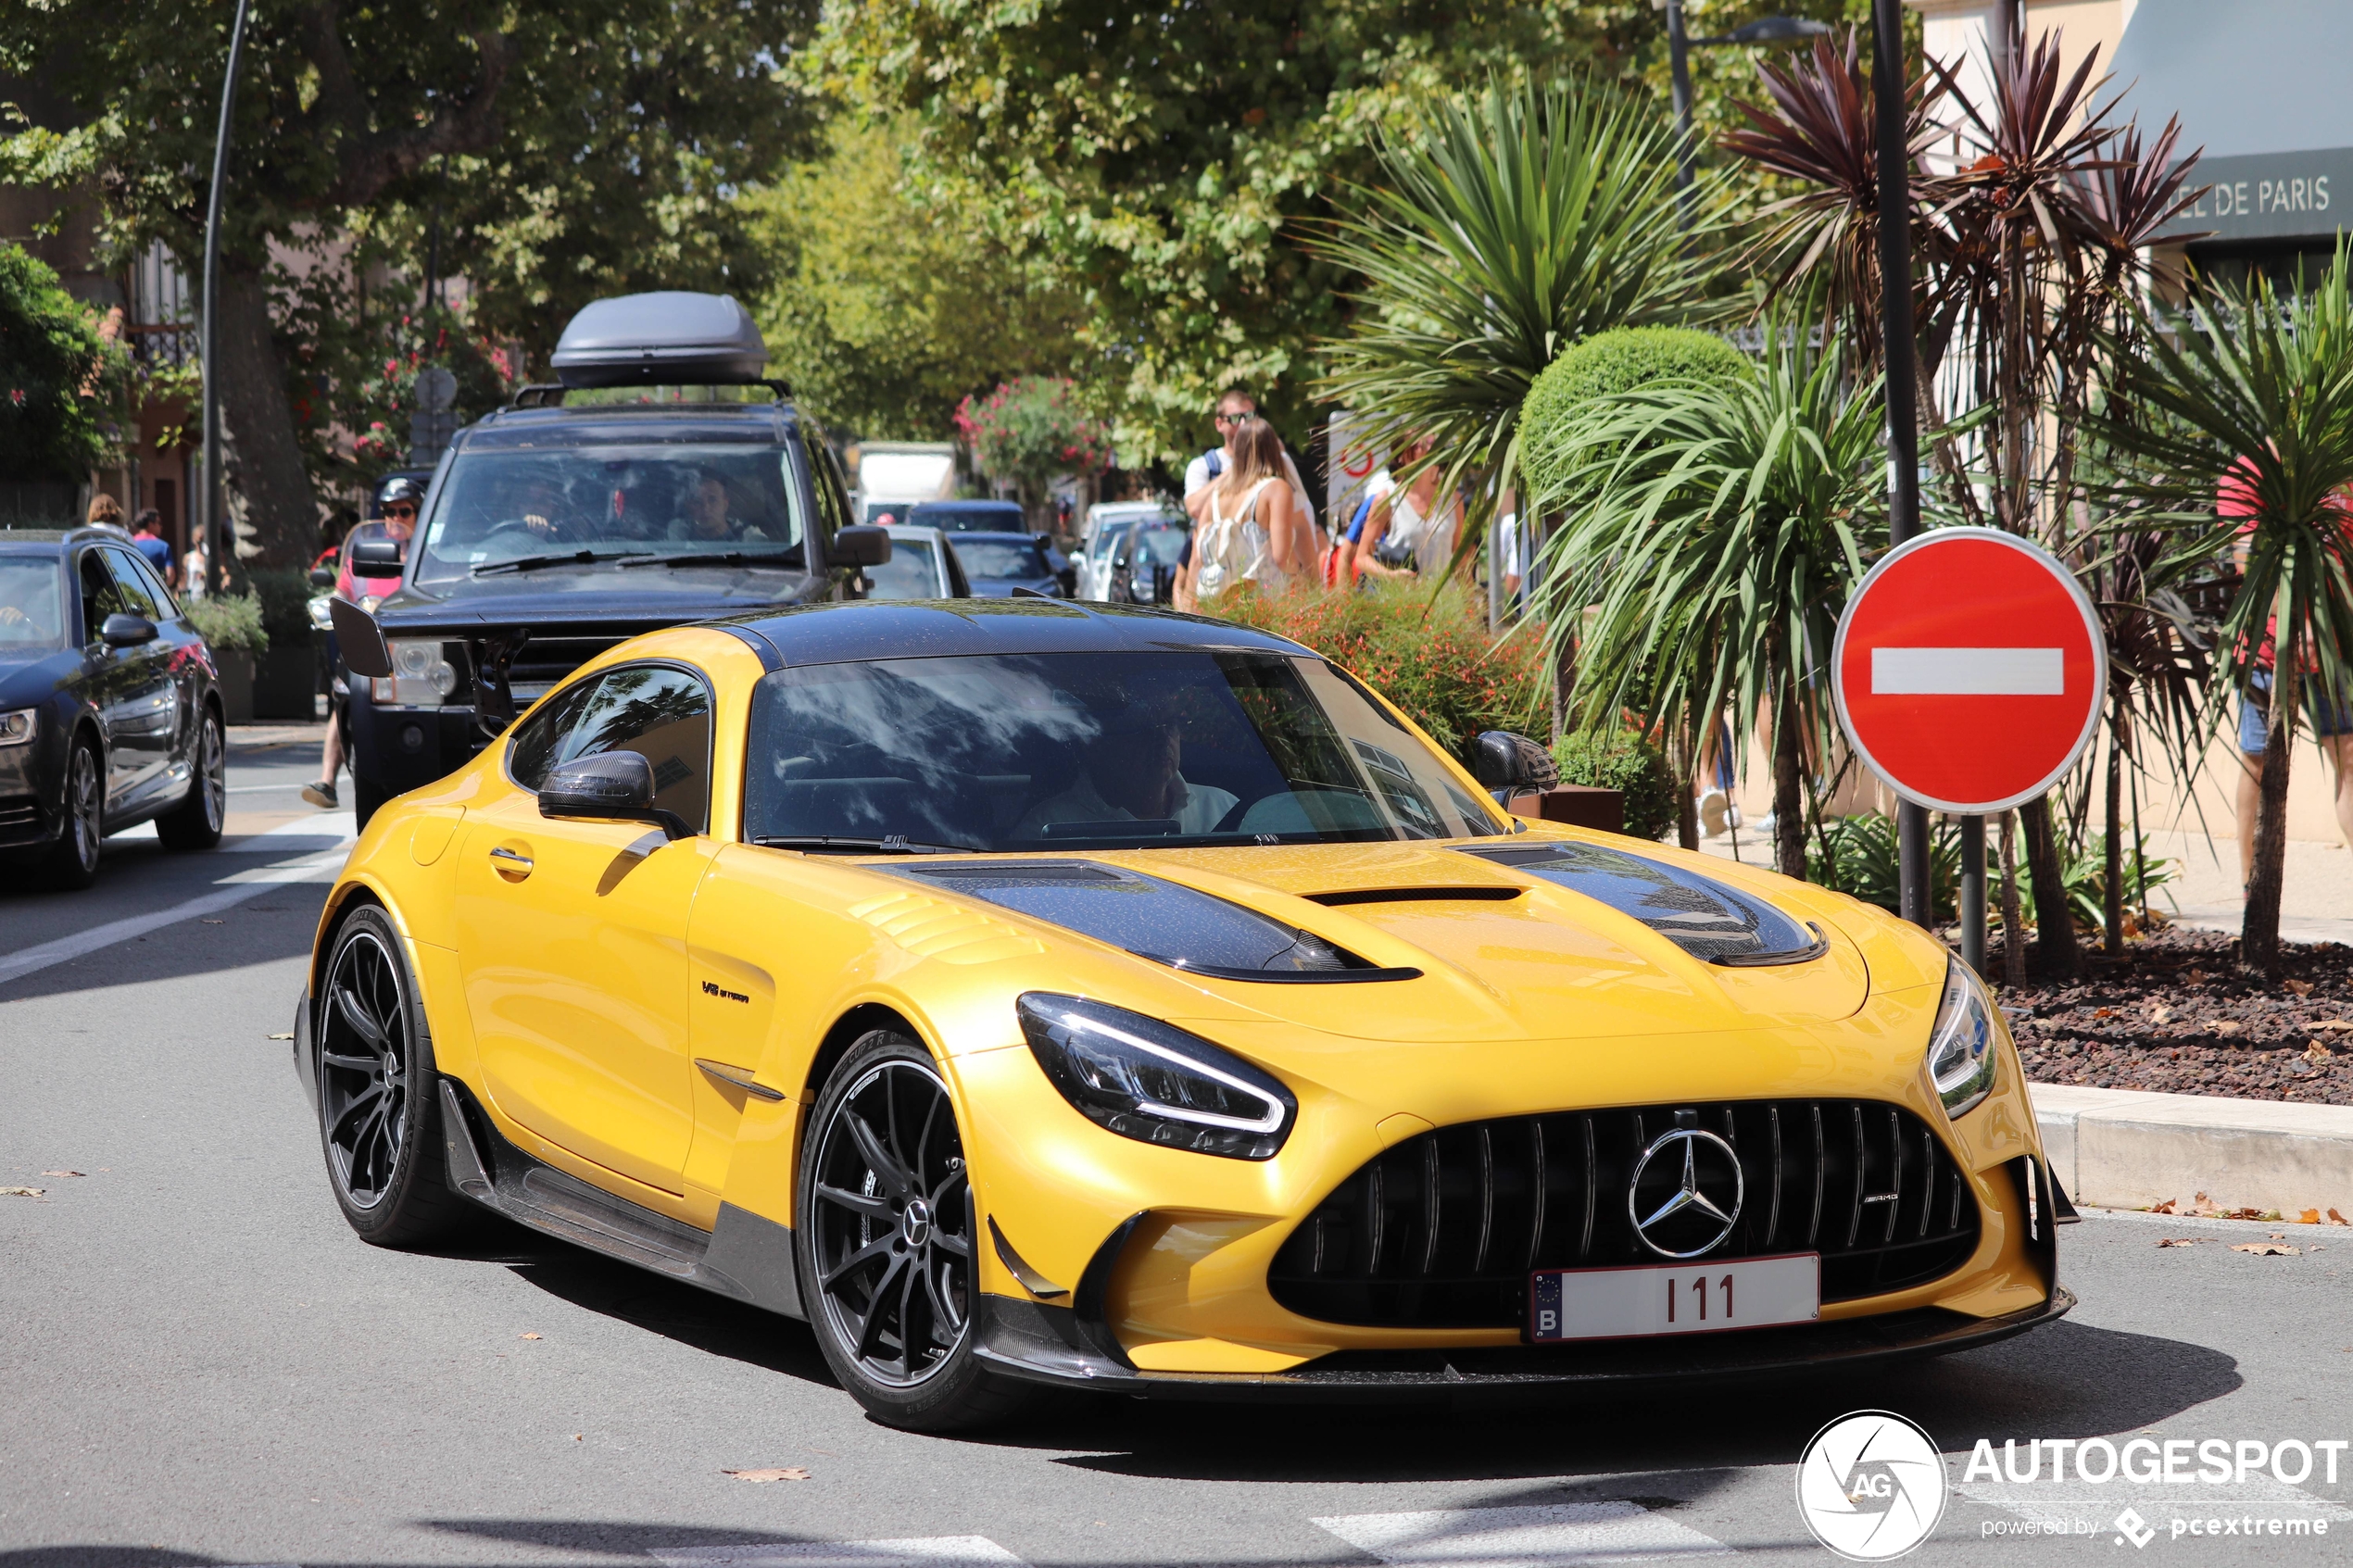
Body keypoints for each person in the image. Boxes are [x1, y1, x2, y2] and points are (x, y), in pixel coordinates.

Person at [2222, 459, 2353, 882]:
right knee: (2257, 760)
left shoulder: (2342, 469)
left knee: (2349, 755)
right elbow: (2249, 562)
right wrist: (2302, 625)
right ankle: (2250, 888)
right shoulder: (2248, 472)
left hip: (2335, 648)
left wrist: (2331, 626)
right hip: (2265, 648)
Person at [306, 478, 422, 809]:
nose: (395, 519)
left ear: (419, 514)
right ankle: (327, 780)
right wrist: (330, 605)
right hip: (372, 647)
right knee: (346, 690)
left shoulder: (428, 558)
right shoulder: (366, 556)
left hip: (416, 652)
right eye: (388, 512)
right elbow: (342, 593)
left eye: (405, 511)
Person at [1015, 713, 1238, 839]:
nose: (1162, 739)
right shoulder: (1046, 829)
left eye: (1170, 725)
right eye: (1143, 728)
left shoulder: (1226, 809)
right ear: (1098, 745)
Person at [1183, 388, 1319, 560]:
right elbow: (1195, 508)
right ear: (1219, 424)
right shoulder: (1203, 466)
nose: (1243, 425)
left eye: (1249, 417)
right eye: (1234, 419)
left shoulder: (1279, 465)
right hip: (1218, 566)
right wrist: (1241, 466)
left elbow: (1301, 517)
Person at [1181, 416, 1301, 608]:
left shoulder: (1216, 496)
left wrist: (1188, 610)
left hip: (1219, 607)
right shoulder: (1276, 489)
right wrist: (1301, 581)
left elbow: (1197, 559)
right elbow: (1282, 557)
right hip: (1262, 606)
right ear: (1273, 449)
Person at [669, 473, 768, 543]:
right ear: (689, 506)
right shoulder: (677, 536)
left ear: (725, 504)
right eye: (697, 502)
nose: (705, 508)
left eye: (713, 500)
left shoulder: (749, 540)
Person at [129, 508, 176, 586]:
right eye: (159, 523)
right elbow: (170, 576)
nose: (161, 527)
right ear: (150, 524)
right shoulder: (163, 546)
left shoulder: (129, 544)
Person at [181, 527, 210, 601]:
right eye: (199, 541)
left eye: (203, 540)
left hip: (208, 597)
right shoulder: (188, 557)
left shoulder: (210, 558)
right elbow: (184, 578)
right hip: (192, 596)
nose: (201, 545)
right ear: (194, 540)